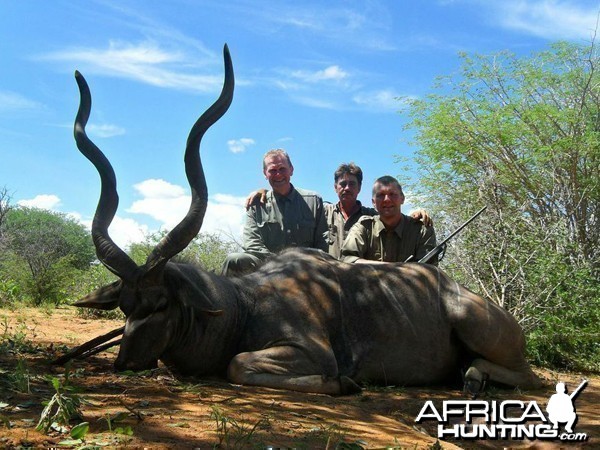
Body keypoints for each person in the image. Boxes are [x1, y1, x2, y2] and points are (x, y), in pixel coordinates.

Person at [246, 162, 432, 259]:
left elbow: (395, 216)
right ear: (335, 187)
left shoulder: (373, 216)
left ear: (359, 188)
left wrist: (417, 212)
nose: (347, 188)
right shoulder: (321, 212)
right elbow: (289, 201)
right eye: (342, 184)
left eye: (352, 184)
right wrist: (266, 192)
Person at [221, 149, 328, 276]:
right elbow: (252, 244)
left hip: (306, 267)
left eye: (282, 169)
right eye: (272, 170)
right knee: (234, 260)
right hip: (266, 267)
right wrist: (278, 264)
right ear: (265, 173)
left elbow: (322, 243)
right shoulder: (256, 204)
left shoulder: (314, 200)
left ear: (291, 169)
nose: (278, 174)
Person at [340, 175, 437, 265]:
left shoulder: (421, 231)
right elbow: (347, 260)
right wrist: (392, 268)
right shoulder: (363, 227)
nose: (386, 199)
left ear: (402, 198)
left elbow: (429, 271)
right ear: (373, 202)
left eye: (392, 194)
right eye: (381, 195)